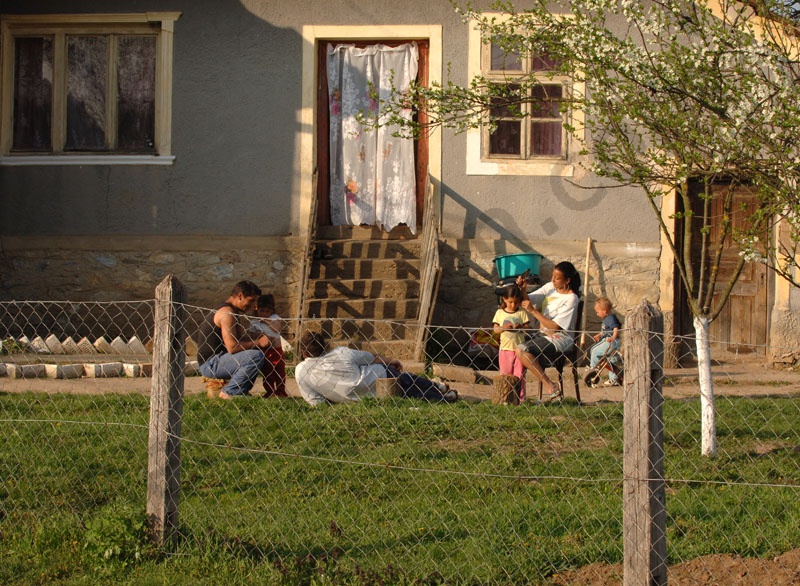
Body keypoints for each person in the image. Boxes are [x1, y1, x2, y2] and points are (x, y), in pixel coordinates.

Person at [294, 331, 458, 406]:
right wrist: (391, 360)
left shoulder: (301, 371)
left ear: (303, 352)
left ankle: (441, 394)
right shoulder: (341, 353)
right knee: (406, 381)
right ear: (324, 347)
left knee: (407, 391)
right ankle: (439, 391)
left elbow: (316, 402)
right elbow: (372, 357)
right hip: (380, 377)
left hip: (360, 398)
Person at [514, 261, 582, 401]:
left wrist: (533, 311)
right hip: (542, 335)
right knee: (512, 341)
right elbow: (528, 300)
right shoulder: (550, 288)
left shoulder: (571, 298)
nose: (553, 281)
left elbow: (555, 327)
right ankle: (516, 393)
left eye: (557, 278)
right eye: (553, 276)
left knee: (522, 350)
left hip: (560, 338)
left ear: (567, 280)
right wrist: (523, 290)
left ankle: (550, 386)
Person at [197, 280, 272, 399]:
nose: (254, 306)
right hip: (211, 363)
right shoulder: (227, 314)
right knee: (255, 356)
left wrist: (254, 338)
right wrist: (258, 342)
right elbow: (232, 347)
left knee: (256, 353)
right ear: (240, 296)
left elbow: (237, 340)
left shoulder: (232, 312)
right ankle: (230, 392)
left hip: (218, 359)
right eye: (251, 301)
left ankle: (240, 392)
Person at [492, 283, 530, 401]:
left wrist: (520, 328)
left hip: (520, 350)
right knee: (505, 374)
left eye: (516, 302)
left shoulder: (521, 312)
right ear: (504, 299)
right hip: (505, 349)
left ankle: (520, 399)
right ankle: (505, 397)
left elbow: (528, 328)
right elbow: (495, 329)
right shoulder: (500, 313)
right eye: (510, 302)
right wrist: (503, 328)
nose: (513, 305)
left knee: (519, 375)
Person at [249, 293, 288, 397]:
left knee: (280, 372)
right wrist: (261, 335)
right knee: (268, 373)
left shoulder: (274, 318)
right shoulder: (254, 322)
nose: (264, 314)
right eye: (262, 311)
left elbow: (277, 328)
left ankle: (281, 391)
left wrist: (265, 321)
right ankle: (270, 391)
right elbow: (251, 334)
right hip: (265, 351)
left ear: (272, 311)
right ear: (257, 309)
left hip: (277, 350)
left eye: (267, 311)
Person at [588, 297, 622, 386]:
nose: (597, 314)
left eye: (598, 312)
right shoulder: (607, 319)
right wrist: (599, 335)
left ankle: (593, 369)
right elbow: (606, 330)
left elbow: (615, 328)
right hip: (613, 341)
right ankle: (614, 379)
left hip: (610, 341)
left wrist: (613, 337)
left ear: (604, 310)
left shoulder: (610, 318)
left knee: (594, 351)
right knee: (612, 359)